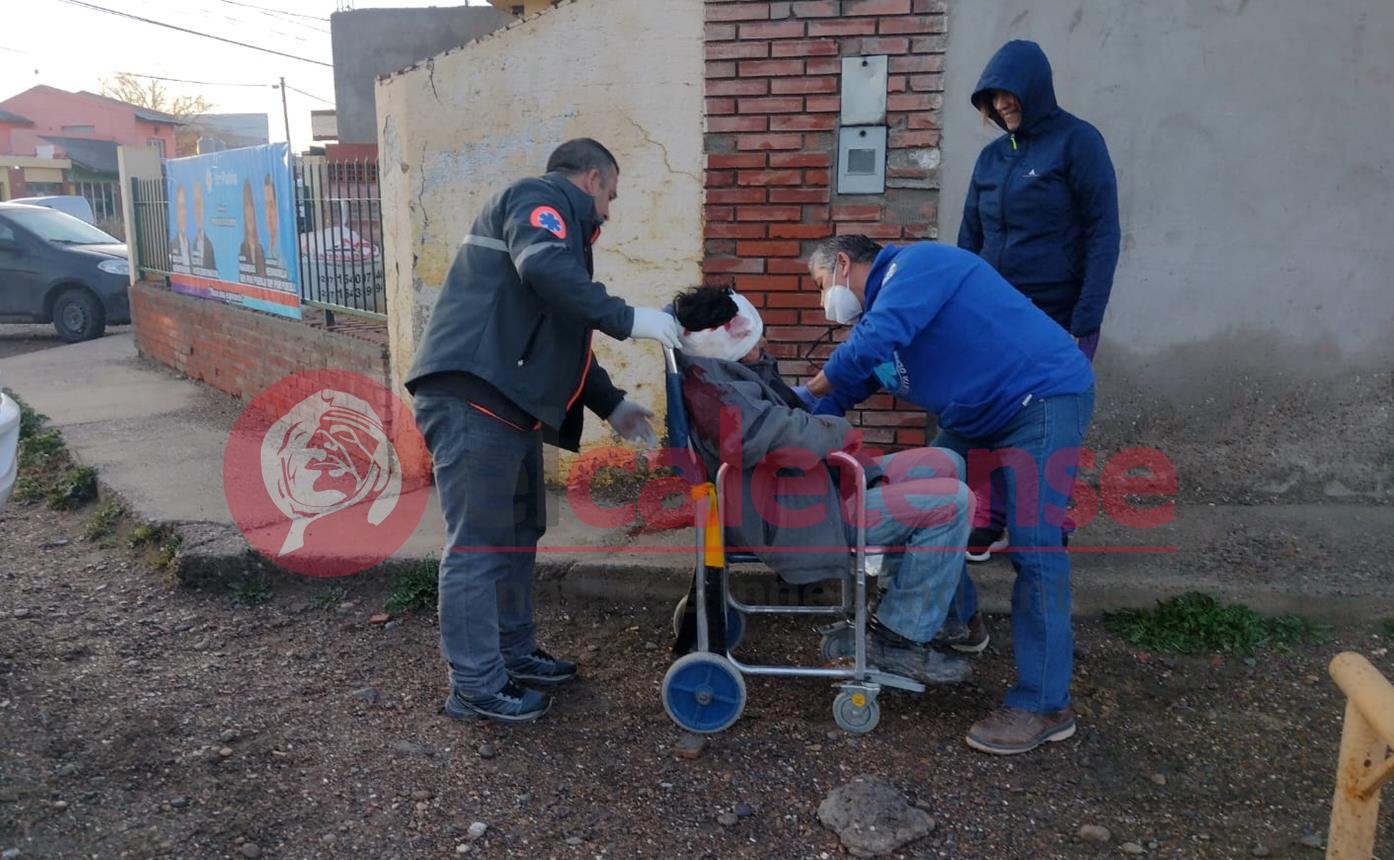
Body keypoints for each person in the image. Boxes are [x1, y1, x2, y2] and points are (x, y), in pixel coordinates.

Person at [406, 138, 683, 724]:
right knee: (480, 544)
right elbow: (545, 272)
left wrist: (612, 405)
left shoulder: (564, 244)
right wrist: (629, 319)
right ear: (590, 179)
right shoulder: (538, 202)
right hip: (472, 398)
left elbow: (562, 332)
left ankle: (512, 652)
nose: (610, 209)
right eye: (611, 194)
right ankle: (475, 686)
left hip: (508, 408)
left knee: (519, 531)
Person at [803, 234, 1095, 755]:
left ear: (843, 264)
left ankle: (1045, 703)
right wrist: (786, 428)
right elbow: (848, 389)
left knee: (1035, 546)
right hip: (976, 415)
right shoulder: (878, 319)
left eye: (821, 285)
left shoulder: (918, 266)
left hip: (1042, 396)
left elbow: (866, 349)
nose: (824, 300)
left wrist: (808, 391)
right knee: (921, 497)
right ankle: (959, 622)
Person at [672, 286, 973, 685]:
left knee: (946, 462)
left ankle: (913, 611)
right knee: (952, 503)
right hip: (795, 515)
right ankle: (897, 641)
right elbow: (761, 434)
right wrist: (836, 430)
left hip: (807, 490)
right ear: (728, 339)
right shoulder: (714, 389)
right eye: (754, 335)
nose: (764, 340)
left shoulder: (722, 370)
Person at [958, 39, 1120, 561]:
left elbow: (1103, 233)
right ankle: (989, 517)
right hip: (996, 318)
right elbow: (969, 239)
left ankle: (1050, 519)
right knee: (988, 413)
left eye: (1011, 98)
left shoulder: (1077, 142)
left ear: (1036, 89)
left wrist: (1086, 318)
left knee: (1054, 420)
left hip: (1058, 313)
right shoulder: (988, 159)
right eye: (994, 101)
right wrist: (961, 308)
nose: (1003, 109)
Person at [238, 180, 267, 280]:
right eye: (246, 205)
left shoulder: (261, 248)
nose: (249, 210)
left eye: (251, 205)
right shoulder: (242, 248)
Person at [191, 181, 216, 274]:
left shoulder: (211, 242)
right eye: (195, 204)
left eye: (200, 204)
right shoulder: (193, 242)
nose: (198, 210)